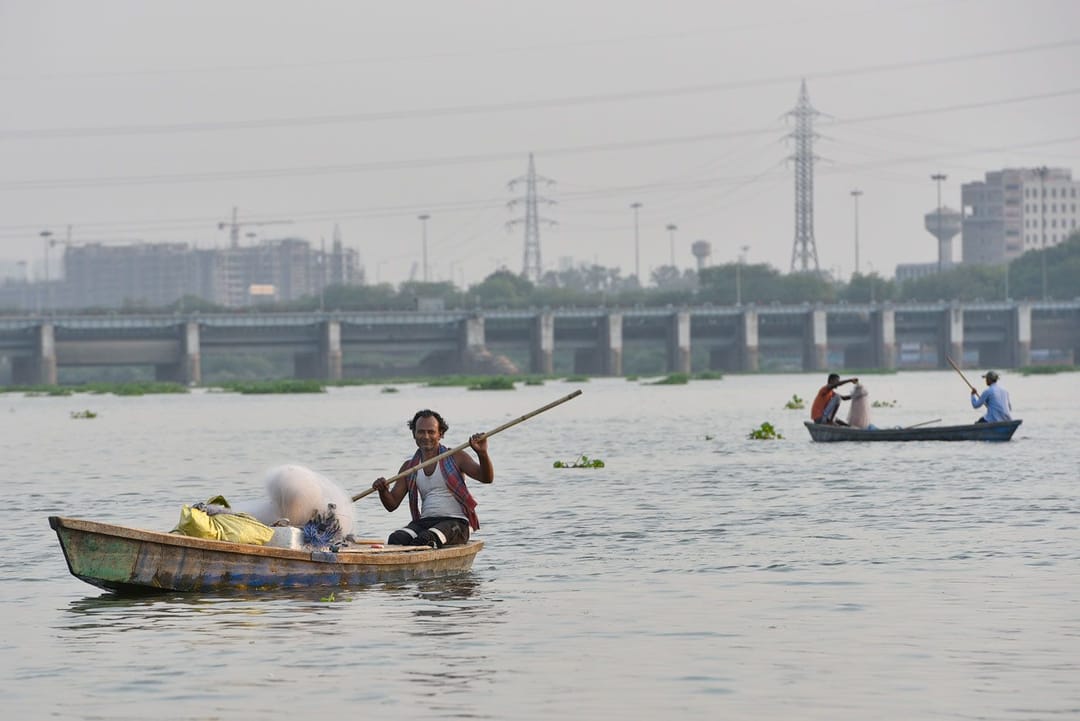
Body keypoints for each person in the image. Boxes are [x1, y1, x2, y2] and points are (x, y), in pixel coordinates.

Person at [371, 409, 493, 548]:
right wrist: (383, 490)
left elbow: (486, 478)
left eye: (431, 432)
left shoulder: (455, 457)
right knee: (396, 539)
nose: (426, 436)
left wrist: (482, 454)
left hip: (456, 523)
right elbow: (391, 505)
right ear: (414, 434)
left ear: (440, 434)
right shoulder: (409, 467)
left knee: (426, 539)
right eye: (421, 432)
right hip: (425, 522)